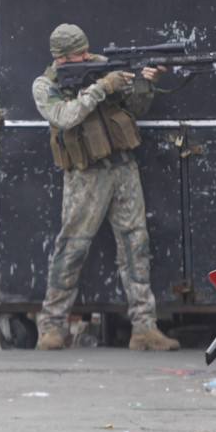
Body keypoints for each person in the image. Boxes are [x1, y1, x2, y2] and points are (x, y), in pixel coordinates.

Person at [31, 23, 180, 352]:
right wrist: (101, 87)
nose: (87, 56)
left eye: (86, 50)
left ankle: (144, 326)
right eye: (78, 54)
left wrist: (144, 84)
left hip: (123, 167)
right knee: (72, 249)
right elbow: (65, 117)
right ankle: (52, 326)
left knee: (135, 246)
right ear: (62, 58)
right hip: (86, 176)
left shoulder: (105, 66)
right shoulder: (45, 85)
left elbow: (137, 109)